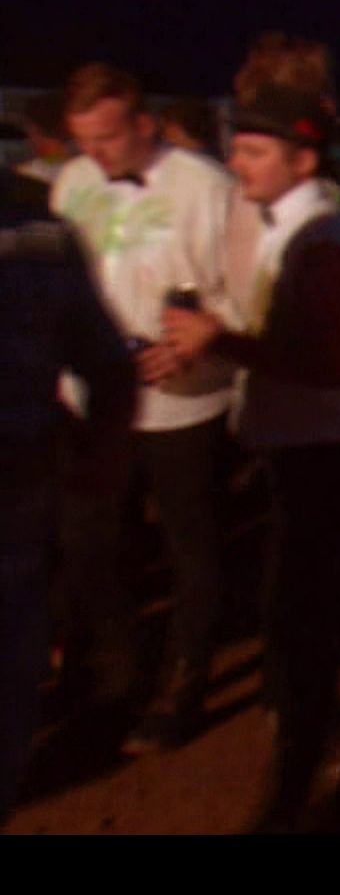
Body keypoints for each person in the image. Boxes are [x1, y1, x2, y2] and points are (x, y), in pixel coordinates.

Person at [162, 85, 340, 832]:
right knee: (339, 604)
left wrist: (221, 343)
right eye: (236, 147)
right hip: (319, 446)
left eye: (254, 150)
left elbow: (328, 365)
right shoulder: (296, 230)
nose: (237, 162)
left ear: (303, 159)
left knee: (307, 614)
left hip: (337, 451)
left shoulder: (323, 240)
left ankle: (314, 772)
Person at [49, 63, 238, 753]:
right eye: (82, 140)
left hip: (182, 401)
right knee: (87, 543)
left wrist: (196, 341)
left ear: (144, 123)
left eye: (106, 138)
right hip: (93, 398)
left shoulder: (206, 187)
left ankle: (181, 687)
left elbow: (244, 291)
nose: (93, 154)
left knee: (190, 543)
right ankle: (118, 676)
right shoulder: (72, 183)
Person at [0, 167, 135, 822]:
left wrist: (98, 459)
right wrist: (99, 460)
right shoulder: (43, 234)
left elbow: (108, 370)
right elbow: (108, 368)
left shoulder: (43, 237)